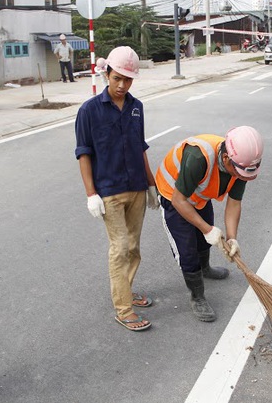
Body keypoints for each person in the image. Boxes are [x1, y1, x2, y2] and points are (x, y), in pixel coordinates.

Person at [74, 46, 160, 332]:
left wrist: (151, 184)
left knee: (134, 248)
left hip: (136, 186)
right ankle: (124, 309)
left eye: (128, 80)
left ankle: (126, 288)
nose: (122, 85)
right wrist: (91, 194)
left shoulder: (137, 108)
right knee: (120, 247)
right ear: (107, 73)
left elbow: (141, 147)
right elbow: (84, 153)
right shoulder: (89, 110)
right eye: (117, 78)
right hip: (109, 190)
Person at [155, 126, 263, 322]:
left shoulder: (242, 164)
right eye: (238, 173)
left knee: (205, 240)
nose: (241, 177)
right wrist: (206, 229)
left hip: (198, 196)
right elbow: (180, 200)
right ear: (225, 159)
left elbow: (234, 202)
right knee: (187, 249)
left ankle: (205, 268)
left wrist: (232, 238)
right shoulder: (199, 157)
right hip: (174, 196)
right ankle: (197, 296)